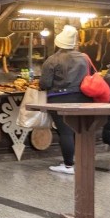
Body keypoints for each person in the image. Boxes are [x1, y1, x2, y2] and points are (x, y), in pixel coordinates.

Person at [39, 24, 93, 175]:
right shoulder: (84, 58)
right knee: (78, 131)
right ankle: (81, 162)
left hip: (59, 99)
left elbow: (45, 83)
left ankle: (68, 165)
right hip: (83, 98)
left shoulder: (52, 60)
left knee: (65, 132)